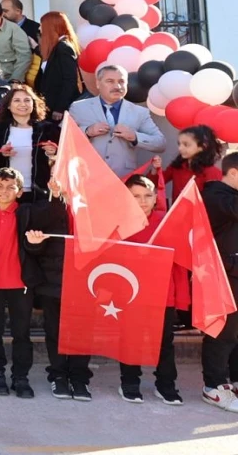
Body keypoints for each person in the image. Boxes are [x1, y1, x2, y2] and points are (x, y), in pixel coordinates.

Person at [0, 168, 47, 400]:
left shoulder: (27, 213)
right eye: (0, 186)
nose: (4, 191)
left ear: (19, 191)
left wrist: (36, 243)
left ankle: (20, 377)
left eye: (10, 187)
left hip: (21, 284)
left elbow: (38, 247)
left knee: (21, 333)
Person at [118, 173, 184, 405]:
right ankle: (129, 382)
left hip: (162, 294)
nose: (142, 201)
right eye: (135, 196)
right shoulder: (119, 224)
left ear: (156, 197)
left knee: (164, 342)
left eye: (147, 195)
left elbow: (180, 261)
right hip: (131, 295)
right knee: (130, 339)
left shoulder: (167, 222)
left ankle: (166, 385)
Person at [26, 175, 93, 402]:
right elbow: (31, 246)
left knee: (82, 334)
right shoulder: (44, 207)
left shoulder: (93, 208)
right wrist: (34, 242)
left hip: (86, 283)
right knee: (54, 333)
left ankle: (79, 378)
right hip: (52, 283)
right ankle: (58, 376)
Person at [69, 64, 166, 178]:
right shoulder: (78, 108)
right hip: (87, 176)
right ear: (98, 84)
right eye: (110, 81)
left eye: (121, 81)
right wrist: (86, 131)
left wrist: (134, 136)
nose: (117, 86)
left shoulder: (139, 112)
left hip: (123, 178)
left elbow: (160, 143)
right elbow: (63, 137)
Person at [200, 152, 238, 412]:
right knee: (222, 333)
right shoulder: (214, 195)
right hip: (222, 276)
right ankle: (213, 386)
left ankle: (233, 382)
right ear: (233, 172)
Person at [0, 85, 59, 204]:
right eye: (17, 100)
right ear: (8, 105)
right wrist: (0, 153)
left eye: (27, 100)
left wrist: (53, 153)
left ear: (33, 104)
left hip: (39, 192)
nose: (23, 104)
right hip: (7, 193)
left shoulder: (48, 129)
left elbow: (63, 159)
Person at [32, 12, 82, 118]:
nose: (40, 29)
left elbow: (70, 80)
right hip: (50, 105)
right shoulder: (56, 47)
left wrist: (60, 108)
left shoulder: (64, 48)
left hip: (59, 108)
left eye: (42, 25)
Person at [158, 125, 225, 200]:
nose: (180, 148)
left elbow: (214, 200)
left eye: (186, 145)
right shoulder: (177, 167)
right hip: (178, 211)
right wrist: (155, 169)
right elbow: (157, 183)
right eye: (179, 144)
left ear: (203, 146)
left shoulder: (212, 172)